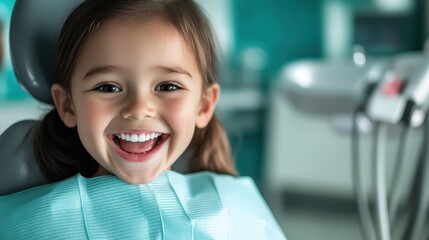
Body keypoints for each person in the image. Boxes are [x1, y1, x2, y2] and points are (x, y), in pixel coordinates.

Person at [0, 0, 286, 239]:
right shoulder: (32, 225)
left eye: (167, 86)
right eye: (108, 87)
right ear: (68, 106)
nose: (138, 109)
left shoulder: (237, 211)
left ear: (203, 105)